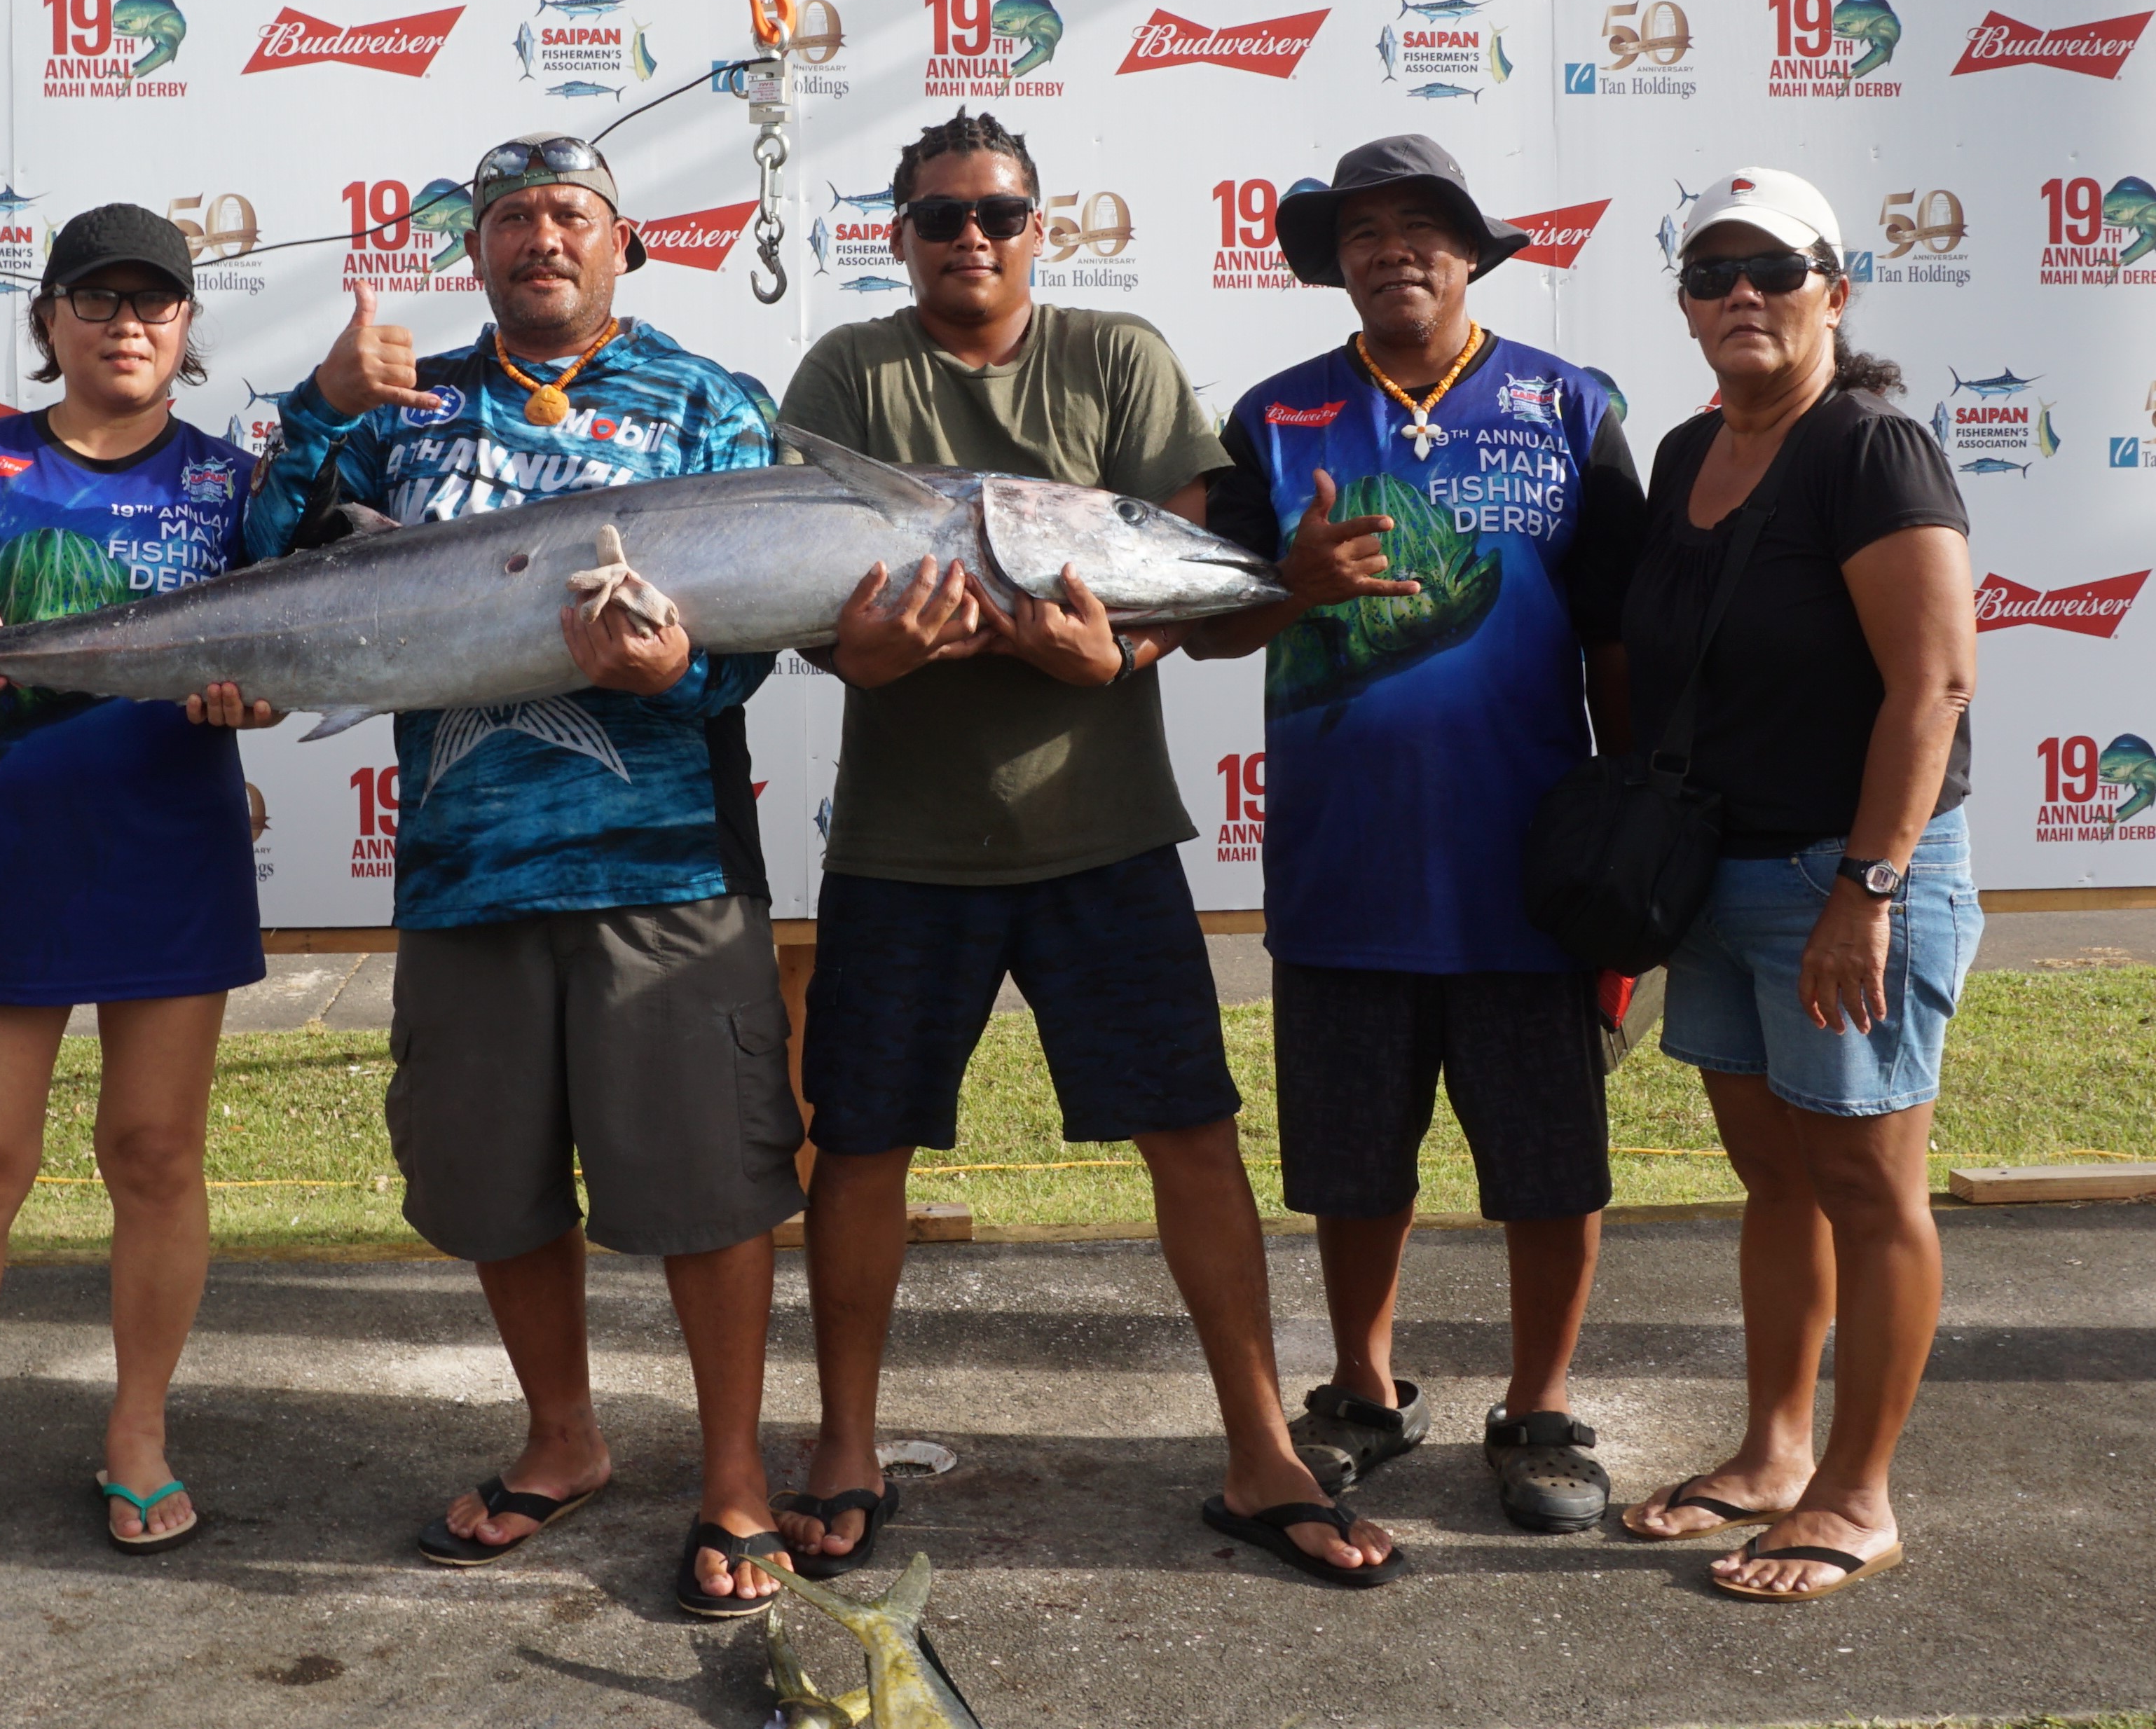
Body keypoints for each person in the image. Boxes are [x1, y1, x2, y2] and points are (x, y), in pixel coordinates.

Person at [774, 108, 1399, 1590]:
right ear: (898, 234)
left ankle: (1262, 1452)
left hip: (1102, 836)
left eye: (993, 213)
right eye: (936, 218)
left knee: (1188, 1132)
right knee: (857, 1148)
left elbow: (1173, 580)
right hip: (898, 846)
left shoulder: (1117, 358)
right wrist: (859, 655)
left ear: (1037, 227)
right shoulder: (845, 372)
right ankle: (844, 1443)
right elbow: (809, 603)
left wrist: (1107, 665)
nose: (966, 238)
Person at [244, 135, 806, 1618]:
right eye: (508, 218)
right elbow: (261, 575)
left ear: (624, 241)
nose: (538, 237)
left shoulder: (708, 402)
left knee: (711, 1187)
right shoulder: (404, 406)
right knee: (491, 1187)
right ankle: (564, 1438)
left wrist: (686, 676)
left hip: (665, 871)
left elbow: (772, 616)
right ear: (475, 250)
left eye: (568, 213)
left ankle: (736, 1471)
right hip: (463, 875)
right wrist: (314, 410)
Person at [1187, 135, 1647, 1536]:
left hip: (1531, 874)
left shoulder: (1565, 404)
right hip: (1346, 867)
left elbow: (1617, 629)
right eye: (1362, 230)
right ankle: (1366, 1391)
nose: (1393, 249)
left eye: (1421, 226)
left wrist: (1625, 833)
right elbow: (1206, 626)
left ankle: (1541, 1404)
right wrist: (1288, 586)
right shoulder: (1274, 420)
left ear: (1471, 251)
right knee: (1349, 1159)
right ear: (1333, 260)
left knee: (1547, 1166)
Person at [0, 205, 275, 1568]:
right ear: (49, 320)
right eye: (97, 300)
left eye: (155, 301)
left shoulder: (233, 482)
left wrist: (251, 698)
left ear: (188, 327)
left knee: (154, 1156)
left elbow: (279, 659)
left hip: (172, 849)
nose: (127, 323)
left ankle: (139, 1430)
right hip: (3, 849)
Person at [1612, 170, 1977, 1601]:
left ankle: (1855, 1492)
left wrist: (1867, 885)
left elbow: (1933, 678)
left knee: (1866, 1184)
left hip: (1848, 873)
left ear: (1837, 286)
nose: (1739, 294)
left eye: (1772, 267)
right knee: (1770, 1173)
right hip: (1721, 870)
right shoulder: (1681, 451)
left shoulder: (1872, 449)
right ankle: (1772, 1451)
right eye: (1710, 274)